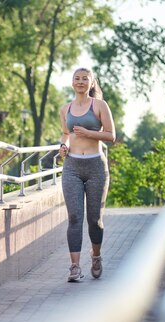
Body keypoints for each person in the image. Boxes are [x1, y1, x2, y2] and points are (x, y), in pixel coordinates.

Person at [58, 67, 116, 282]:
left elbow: (112, 135)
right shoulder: (65, 109)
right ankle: (74, 267)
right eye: (77, 78)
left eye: (85, 78)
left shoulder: (100, 106)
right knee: (74, 218)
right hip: (72, 167)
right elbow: (65, 134)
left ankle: (96, 256)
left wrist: (89, 133)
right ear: (72, 83)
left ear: (91, 83)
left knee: (95, 219)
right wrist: (62, 146)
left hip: (96, 167)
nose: (80, 81)